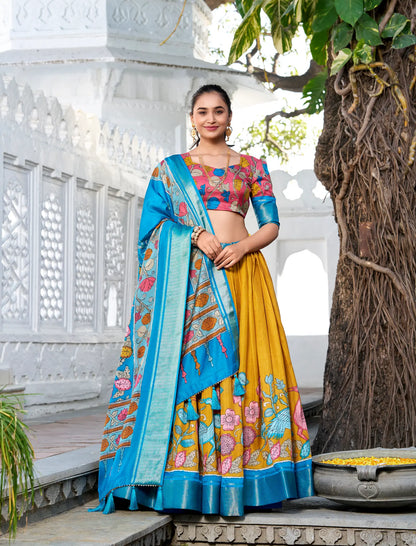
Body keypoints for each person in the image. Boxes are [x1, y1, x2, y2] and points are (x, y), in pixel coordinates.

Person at [93, 84, 313, 517]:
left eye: (218, 111)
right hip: (190, 283)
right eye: (201, 111)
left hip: (244, 276)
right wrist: (194, 235)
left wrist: (244, 246)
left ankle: (244, 479)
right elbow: (152, 230)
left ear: (230, 117)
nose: (210, 118)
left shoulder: (252, 167)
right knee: (191, 374)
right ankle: (186, 481)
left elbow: (271, 224)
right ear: (191, 118)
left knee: (248, 365)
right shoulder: (171, 170)